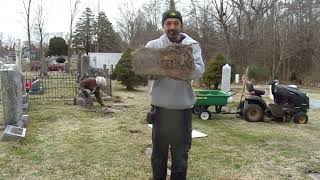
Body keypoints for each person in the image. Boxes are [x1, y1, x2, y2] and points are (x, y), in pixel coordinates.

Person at [145, 8, 205, 180]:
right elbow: (145, 70)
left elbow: (200, 69)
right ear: (163, 26)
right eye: (168, 23)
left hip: (182, 110)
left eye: (176, 23)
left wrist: (181, 67)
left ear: (181, 25)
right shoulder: (153, 46)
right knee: (158, 156)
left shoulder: (192, 45)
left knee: (180, 157)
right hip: (160, 109)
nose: (172, 27)